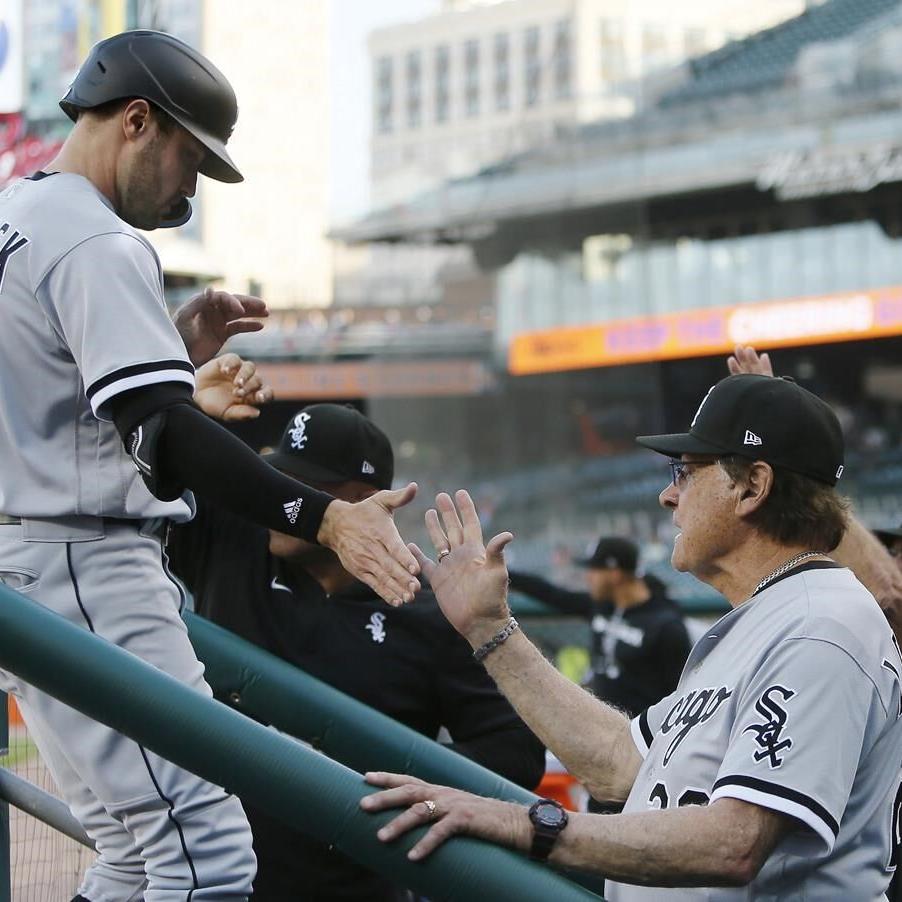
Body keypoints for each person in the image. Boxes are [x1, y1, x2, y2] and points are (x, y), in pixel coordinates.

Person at [0, 30, 420, 901]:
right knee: (209, 853)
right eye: (191, 158)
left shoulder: (18, 213)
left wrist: (173, 346)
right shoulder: (97, 242)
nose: (191, 187)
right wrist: (326, 515)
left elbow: (58, 398)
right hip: (86, 565)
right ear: (138, 120)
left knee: (130, 851)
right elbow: (166, 433)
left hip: (31, 565)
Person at [360, 373, 902, 900]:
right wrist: (491, 630)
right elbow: (622, 764)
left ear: (753, 487)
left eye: (686, 471)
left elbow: (735, 843)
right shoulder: (773, 617)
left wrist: (527, 823)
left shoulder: (819, 627)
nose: (669, 496)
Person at [166, 379, 546, 901]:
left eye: (301, 485)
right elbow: (142, 475)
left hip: (357, 884)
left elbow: (514, 754)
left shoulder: (432, 611)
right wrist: (189, 403)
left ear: (367, 503)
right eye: (276, 479)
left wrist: (399, 785)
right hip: (218, 880)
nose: (284, 499)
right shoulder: (233, 538)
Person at [509, 538, 690, 719]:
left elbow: (680, 694)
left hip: (643, 735)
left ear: (615, 574)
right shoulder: (603, 606)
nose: (588, 577)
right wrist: (506, 574)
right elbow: (551, 594)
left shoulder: (666, 626)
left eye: (594, 570)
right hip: (602, 725)